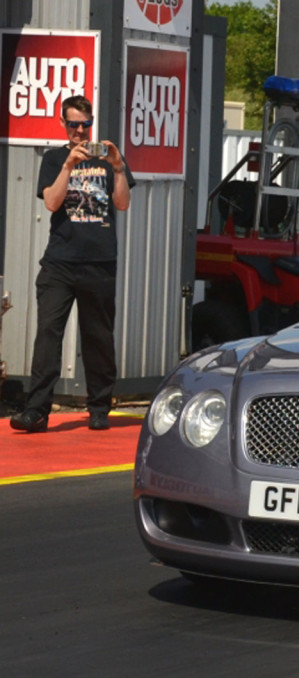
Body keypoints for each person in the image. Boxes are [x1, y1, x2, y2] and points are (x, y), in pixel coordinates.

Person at [9, 95, 134, 433]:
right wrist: (68, 166)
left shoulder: (109, 159)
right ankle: (36, 411)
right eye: (74, 124)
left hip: (99, 262)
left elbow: (122, 203)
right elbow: (51, 202)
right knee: (48, 335)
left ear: (92, 122)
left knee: (98, 338)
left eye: (85, 124)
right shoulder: (54, 159)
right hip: (60, 262)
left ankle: (99, 408)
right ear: (63, 123)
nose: (80, 131)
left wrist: (118, 167)